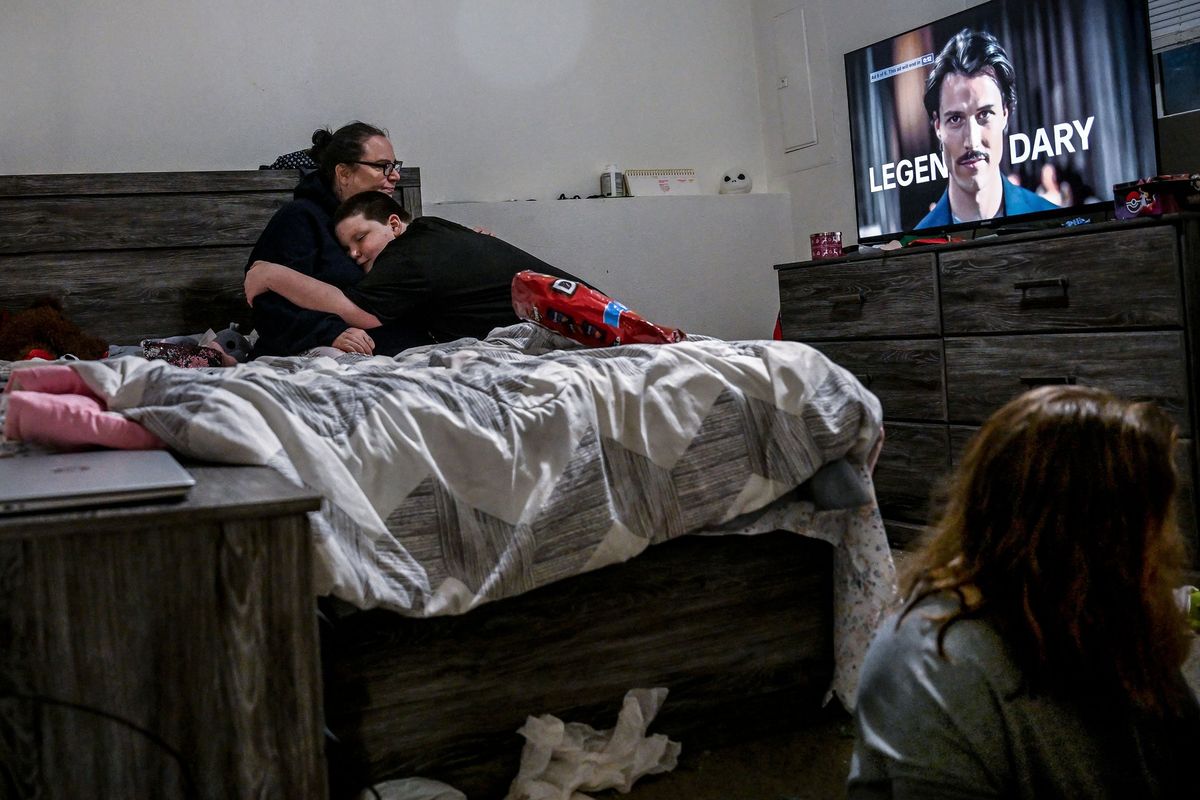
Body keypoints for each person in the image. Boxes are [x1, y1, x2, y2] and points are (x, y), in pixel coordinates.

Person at [847, 385, 1200, 798]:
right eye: (1159, 519)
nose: (1172, 538)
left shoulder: (1111, 617)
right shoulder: (936, 662)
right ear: (1100, 536)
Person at [245, 191, 592, 344]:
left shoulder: (406, 256)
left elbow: (358, 313)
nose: (354, 254)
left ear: (394, 225)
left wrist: (270, 275)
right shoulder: (433, 228)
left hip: (574, 329)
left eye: (361, 238)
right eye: (347, 248)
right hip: (584, 306)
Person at [245, 121, 426, 357]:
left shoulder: (388, 221)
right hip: (322, 345)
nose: (395, 175)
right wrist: (329, 333)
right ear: (343, 173)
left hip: (398, 344)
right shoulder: (299, 219)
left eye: (394, 166)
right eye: (382, 166)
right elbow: (269, 305)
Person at [915, 29, 1057, 230]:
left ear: (1005, 114)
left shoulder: (1051, 220)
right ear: (938, 126)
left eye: (984, 115)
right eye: (955, 118)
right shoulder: (918, 243)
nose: (972, 141)